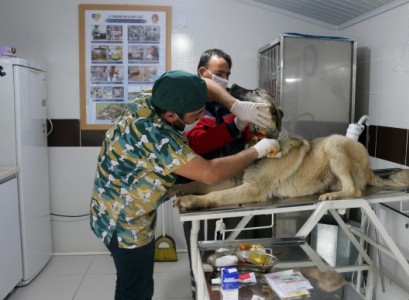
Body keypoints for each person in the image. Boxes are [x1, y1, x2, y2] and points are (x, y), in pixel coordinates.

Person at [89, 70, 279, 300]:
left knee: (133, 280)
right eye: (195, 115)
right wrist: (257, 150)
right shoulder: (157, 137)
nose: (199, 118)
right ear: (171, 116)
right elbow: (209, 173)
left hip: (119, 204)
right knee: (135, 287)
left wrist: (235, 105)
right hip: (123, 222)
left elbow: (205, 85)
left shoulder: (153, 97)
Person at [180, 49, 274, 298]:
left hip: (234, 188)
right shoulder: (191, 104)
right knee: (202, 255)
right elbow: (196, 142)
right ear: (203, 73)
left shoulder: (230, 103)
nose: (225, 79)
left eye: (227, 74)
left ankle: (235, 290)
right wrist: (236, 125)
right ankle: (201, 290)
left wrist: (256, 131)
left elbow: (246, 138)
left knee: (234, 253)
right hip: (202, 188)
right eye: (219, 73)